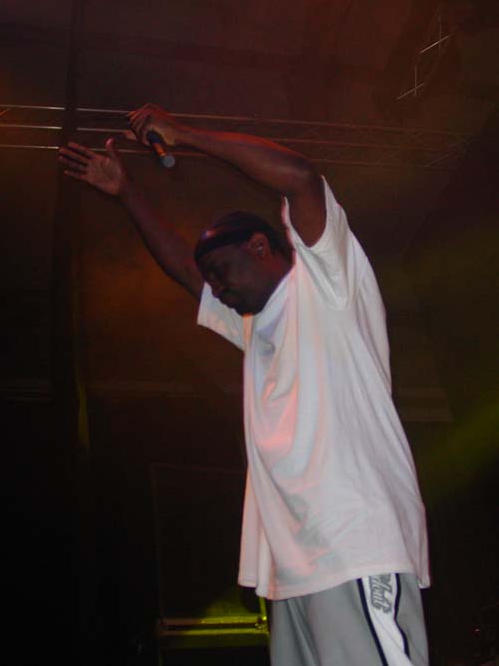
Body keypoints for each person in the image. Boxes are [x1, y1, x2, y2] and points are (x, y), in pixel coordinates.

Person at [59, 104, 430, 666]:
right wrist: (127, 192)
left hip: (356, 546)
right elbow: (184, 271)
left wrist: (185, 134)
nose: (216, 289)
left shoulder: (326, 284)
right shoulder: (256, 328)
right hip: (295, 569)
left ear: (259, 246)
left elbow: (301, 176)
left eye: (222, 272)